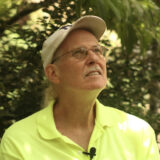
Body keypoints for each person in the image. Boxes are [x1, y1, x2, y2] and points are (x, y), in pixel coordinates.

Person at [0, 15, 159, 160]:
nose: (93, 58)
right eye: (79, 53)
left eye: (97, 50)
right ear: (53, 73)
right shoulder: (18, 140)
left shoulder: (138, 132)